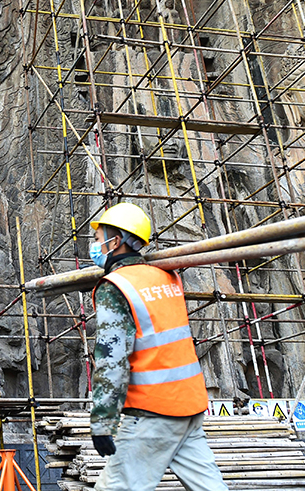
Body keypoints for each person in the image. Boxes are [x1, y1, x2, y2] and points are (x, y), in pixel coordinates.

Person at [89, 202, 228, 491]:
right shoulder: (167, 276)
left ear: (116, 242)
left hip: (152, 411)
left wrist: (103, 422)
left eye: (99, 238)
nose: (95, 244)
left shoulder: (115, 286)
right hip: (189, 406)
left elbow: (111, 359)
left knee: (116, 488)